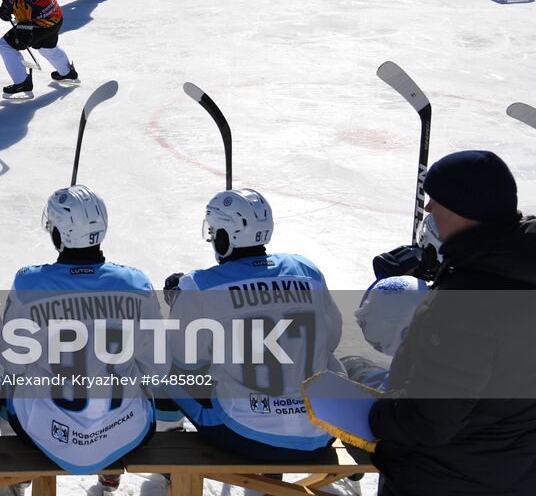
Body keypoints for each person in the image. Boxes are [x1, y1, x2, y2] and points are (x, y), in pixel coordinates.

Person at [367, 150, 536, 496]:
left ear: (464, 208)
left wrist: (372, 413)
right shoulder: (519, 266)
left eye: (436, 200)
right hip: (515, 473)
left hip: (445, 477)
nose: (428, 209)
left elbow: (428, 420)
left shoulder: (466, 303)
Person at [161, 188, 344, 460]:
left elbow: (186, 362)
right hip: (320, 431)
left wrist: (183, 305)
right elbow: (330, 338)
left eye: (213, 233)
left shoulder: (198, 286)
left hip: (246, 433)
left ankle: (167, 451)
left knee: (159, 365)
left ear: (224, 237)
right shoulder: (307, 270)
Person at [4, 188, 166, 490]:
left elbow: (13, 364)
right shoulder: (136, 282)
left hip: (48, 431)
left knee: (1, 381)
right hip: (124, 431)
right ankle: (110, 469)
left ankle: (19, 475)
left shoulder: (30, 282)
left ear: (59, 234)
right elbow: (157, 367)